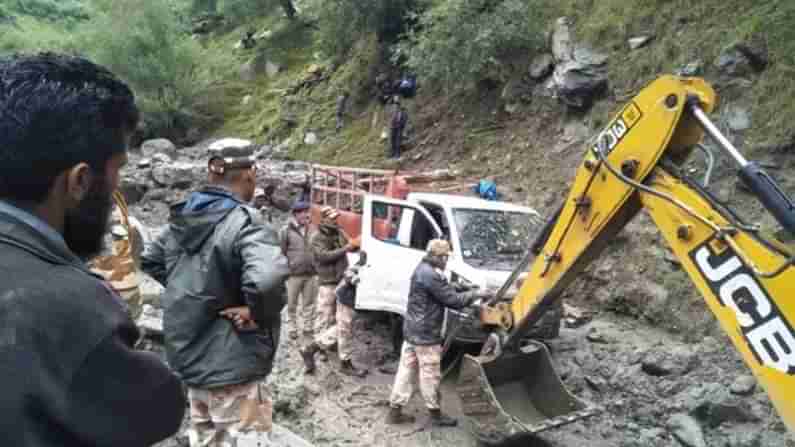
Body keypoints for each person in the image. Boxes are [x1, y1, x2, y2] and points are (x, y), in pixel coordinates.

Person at [0, 52, 185, 447]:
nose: (118, 185)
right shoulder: (65, 305)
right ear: (80, 181)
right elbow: (156, 407)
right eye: (117, 168)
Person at [142, 145, 289, 447]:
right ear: (250, 174)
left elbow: (150, 258)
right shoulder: (246, 221)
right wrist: (255, 311)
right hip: (234, 369)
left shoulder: (185, 219)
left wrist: (191, 290)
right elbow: (267, 279)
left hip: (192, 368)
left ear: (211, 173)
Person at [386, 240, 480, 427]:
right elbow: (453, 300)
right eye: (446, 258)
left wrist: (460, 287)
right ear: (439, 257)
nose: (447, 261)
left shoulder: (424, 268)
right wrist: (477, 294)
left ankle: (394, 412)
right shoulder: (430, 274)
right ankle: (436, 415)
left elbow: (441, 288)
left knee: (405, 372)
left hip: (412, 332)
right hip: (426, 335)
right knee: (430, 375)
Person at [301, 206, 367, 377]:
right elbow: (323, 256)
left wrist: (356, 244)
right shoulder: (316, 237)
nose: (335, 221)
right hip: (327, 281)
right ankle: (320, 348)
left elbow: (350, 245)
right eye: (331, 218)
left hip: (341, 280)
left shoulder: (339, 232)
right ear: (323, 219)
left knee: (339, 319)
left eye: (336, 218)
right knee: (324, 315)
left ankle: (323, 346)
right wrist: (347, 248)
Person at [279, 201, 317, 343]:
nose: (306, 215)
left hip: (311, 273)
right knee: (291, 304)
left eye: (307, 211)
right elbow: (281, 252)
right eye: (302, 212)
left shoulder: (313, 229)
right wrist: (285, 270)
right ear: (295, 214)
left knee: (309, 304)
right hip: (293, 275)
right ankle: (292, 328)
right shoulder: (286, 230)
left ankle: (308, 329)